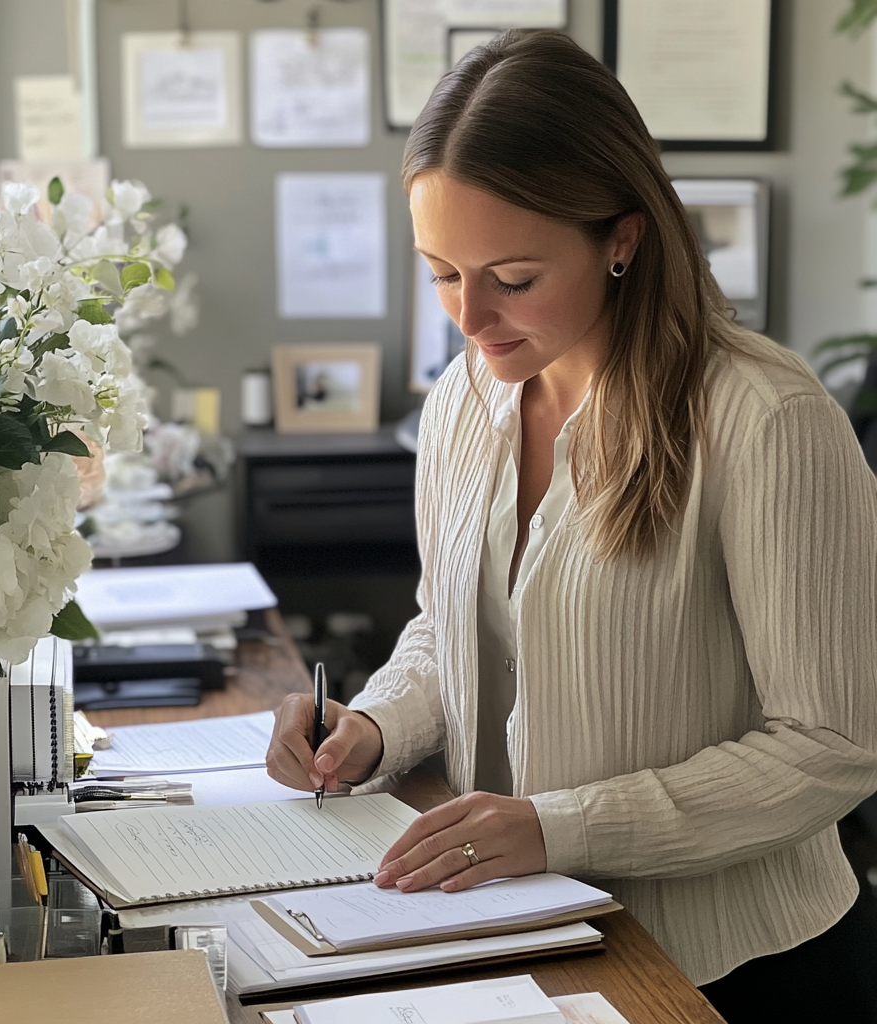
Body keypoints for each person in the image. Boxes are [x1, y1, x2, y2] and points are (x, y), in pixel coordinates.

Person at [265, 30, 877, 1023]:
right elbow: (444, 629)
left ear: (622, 239)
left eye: (511, 277)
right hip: (532, 941)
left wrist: (558, 826)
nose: (469, 317)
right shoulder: (464, 400)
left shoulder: (765, 418)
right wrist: (371, 726)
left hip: (742, 972)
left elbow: (831, 742)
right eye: (441, 272)